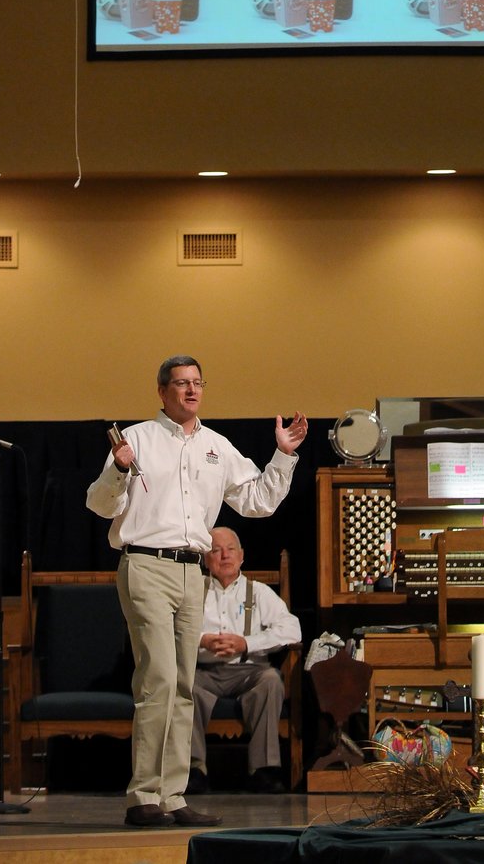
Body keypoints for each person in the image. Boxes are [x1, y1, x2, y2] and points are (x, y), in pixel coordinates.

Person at [86, 355, 307, 829]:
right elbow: (101, 504)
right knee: (160, 679)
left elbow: (258, 501)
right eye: (181, 384)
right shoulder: (138, 440)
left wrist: (284, 454)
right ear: (162, 391)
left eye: (197, 383)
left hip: (193, 574)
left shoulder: (216, 446)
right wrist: (119, 470)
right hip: (146, 563)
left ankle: (172, 796)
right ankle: (143, 795)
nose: (191, 391)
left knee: (184, 684)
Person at [188, 525, 301, 795]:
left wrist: (246, 643)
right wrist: (201, 640)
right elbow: (170, 630)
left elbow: (291, 629)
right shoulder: (192, 591)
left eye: (230, 550)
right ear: (206, 558)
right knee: (183, 686)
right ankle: (193, 771)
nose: (224, 556)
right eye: (216, 550)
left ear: (241, 556)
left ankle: (264, 770)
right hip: (203, 671)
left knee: (271, 680)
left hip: (249, 671)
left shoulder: (259, 592)